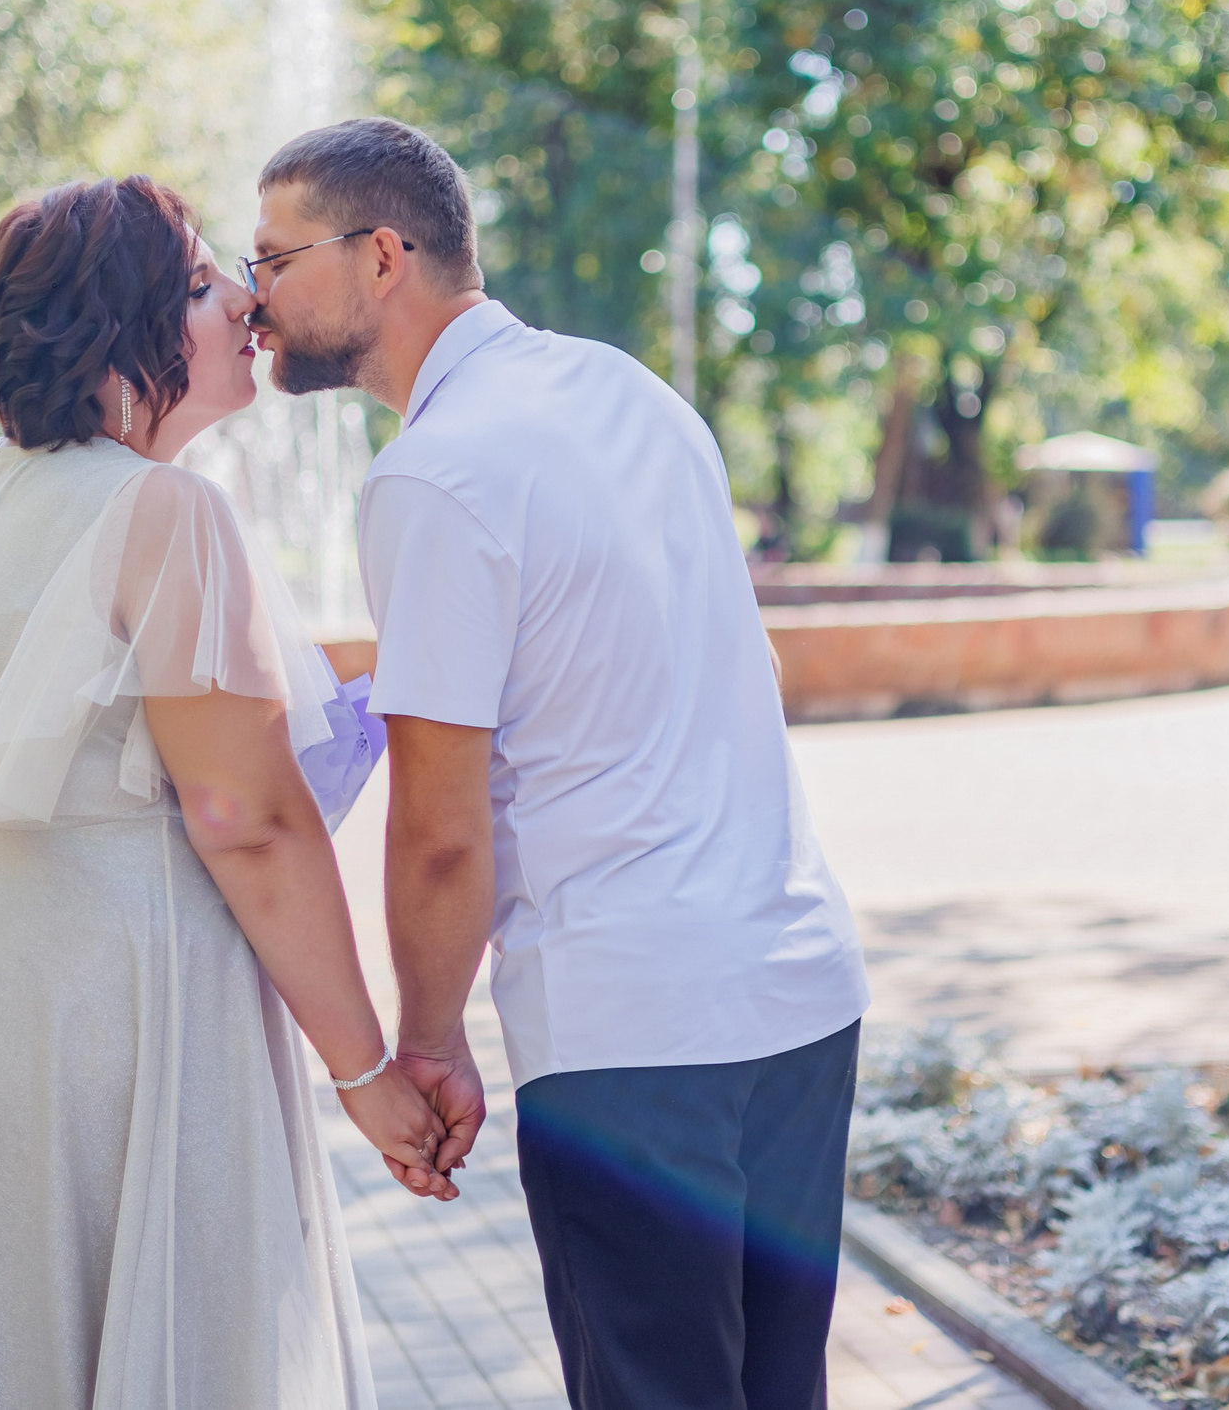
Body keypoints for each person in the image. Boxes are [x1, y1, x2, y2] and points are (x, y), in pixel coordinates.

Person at [0, 175, 447, 1410]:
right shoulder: (169, 514)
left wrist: (41, 867)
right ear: (118, 328)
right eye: (204, 284)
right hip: (128, 999)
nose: (248, 301)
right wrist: (366, 1076)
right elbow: (244, 823)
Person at [247, 117, 873, 1410]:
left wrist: (426, 1042)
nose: (252, 295)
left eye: (272, 257)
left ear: (380, 256)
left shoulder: (433, 474)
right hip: (800, 985)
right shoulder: (630, 389)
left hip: (633, 1025)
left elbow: (439, 824)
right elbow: (740, 672)